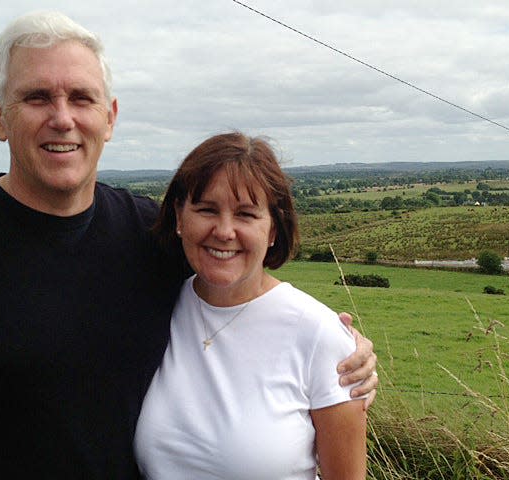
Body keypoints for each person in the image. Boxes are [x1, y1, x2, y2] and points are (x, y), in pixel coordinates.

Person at [0, 11, 377, 479]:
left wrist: (339, 350)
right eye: (36, 97)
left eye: (81, 98)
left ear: (108, 118)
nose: (62, 118)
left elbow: (239, 280)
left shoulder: (150, 234)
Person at [134, 132, 368, 479]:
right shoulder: (157, 306)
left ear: (273, 229)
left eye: (245, 214)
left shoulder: (318, 333)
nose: (225, 231)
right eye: (206, 209)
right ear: (180, 218)